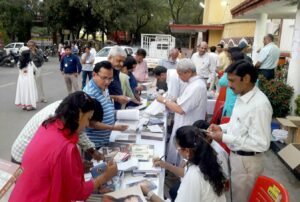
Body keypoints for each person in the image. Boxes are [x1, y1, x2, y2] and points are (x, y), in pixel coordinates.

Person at [9, 91, 118, 202]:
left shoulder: (49, 125)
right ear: (79, 114)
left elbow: (51, 165)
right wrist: (105, 177)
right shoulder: (66, 147)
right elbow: (77, 193)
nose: (86, 125)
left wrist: (76, 167)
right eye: (88, 119)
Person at [207, 60, 273, 202]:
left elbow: (261, 143)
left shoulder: (260, 105)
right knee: (234, 194)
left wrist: (224, 137)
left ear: (247, 79)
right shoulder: (241, 96)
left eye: (232, 80)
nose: (229, 85)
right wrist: (221, 128)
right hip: (237, 156)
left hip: (248, 161)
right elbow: (236, 125)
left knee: (241, 198)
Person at [141, 126, 226, 202]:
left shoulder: (194, 175)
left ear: (187, 151)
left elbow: (189, 176)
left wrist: (148, 192)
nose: (177, 151)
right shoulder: (208, 160)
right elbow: (184, 172)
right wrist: (164, 164)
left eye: (178, 149)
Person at [11, 99, 104, 164]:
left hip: (32, 156)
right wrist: (77, 166)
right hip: (23, 157)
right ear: (82, 114)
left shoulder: (71, 111)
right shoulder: (56, 121)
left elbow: (79, 132)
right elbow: (55, 157)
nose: (87, 126)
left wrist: (91, 150)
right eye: (88, 120)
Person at [156, 58, 207, 165]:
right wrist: (175, 100)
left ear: (188, 72)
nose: (179, 77)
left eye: (180, 74)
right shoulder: (193, 84)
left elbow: (180, 109)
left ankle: (178, 174)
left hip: (188, 123)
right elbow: (183, 101)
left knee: (184, 156)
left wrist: (163, 100)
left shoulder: (197, 86)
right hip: (186, 122)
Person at [84, 61, 128, 148]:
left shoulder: (102, 87)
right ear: (94, 75)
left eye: (110, 78)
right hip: (95, 144)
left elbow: (104, 97)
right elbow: (91, 123)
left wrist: (117, 97)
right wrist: (114, 128)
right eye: (104, 78)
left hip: (105, 140)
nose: (107, 82)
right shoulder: (89, 94)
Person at [219, 50, 244, 117]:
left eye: (230, 59)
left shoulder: (232, 71)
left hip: (232, 103)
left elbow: (222, 82)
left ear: (233, 60)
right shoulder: (246, 69)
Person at [15, 46, 38, 111]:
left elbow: (19, 69)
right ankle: (29, 106)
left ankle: (24, 105)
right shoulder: (30, 63)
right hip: (29, 80)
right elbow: (35, 69)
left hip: (21, 80)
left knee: (23, 91)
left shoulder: (19, 62)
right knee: (28, 91)